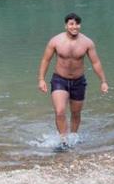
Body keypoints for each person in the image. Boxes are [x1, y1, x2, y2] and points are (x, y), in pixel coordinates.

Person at [37, 12, 110, 146]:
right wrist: (41, 79)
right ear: (66, 25)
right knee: (60, 111)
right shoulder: (56, 41)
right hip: (60, 80)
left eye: (77, 24)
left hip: (78, 81)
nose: (74, 27)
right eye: (71, 24)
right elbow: (45, 60)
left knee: (76, 113)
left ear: (80, 25)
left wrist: (103, 81)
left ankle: (73, 138)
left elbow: (96, 63)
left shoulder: (87, 42)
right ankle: (64, 140)